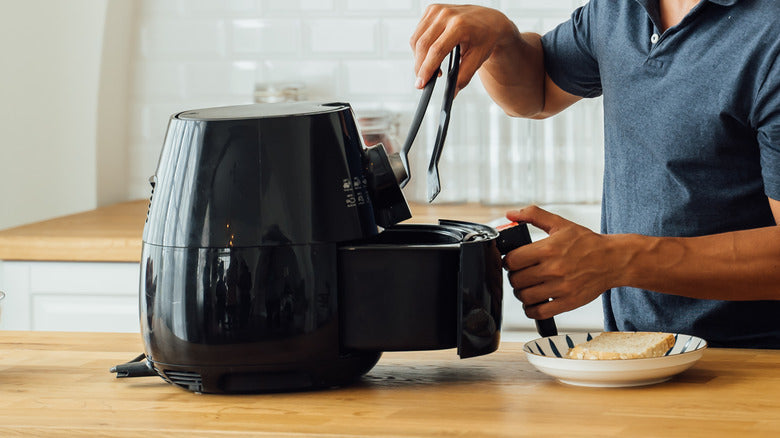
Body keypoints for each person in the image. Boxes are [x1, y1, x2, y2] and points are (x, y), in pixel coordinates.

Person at [409, 1, 780, 348]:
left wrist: (619, 260)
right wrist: (501, 39)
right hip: (637, 354)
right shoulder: (617, 9)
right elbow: (536, 90)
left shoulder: (770, 31)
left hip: (753, 362)